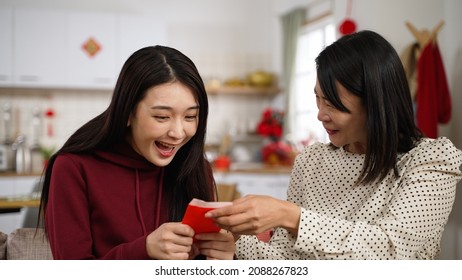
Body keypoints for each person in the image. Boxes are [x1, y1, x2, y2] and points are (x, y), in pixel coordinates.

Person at [206, 30, 462, 260]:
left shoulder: (431, 160)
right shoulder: (311, 161)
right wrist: (235, 246)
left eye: (333, 103)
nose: (321, 114)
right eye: (318, 99)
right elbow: (285, 259)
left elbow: (393, 251)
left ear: (375, 103)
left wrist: (291, 216)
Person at [39, 46, 235, 260]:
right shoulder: (73, 168)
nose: (178, 133)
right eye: (162, 117)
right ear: (128, 113)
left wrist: (223, 261)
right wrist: (144, 250)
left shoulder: (194, 167)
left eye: (190, 117)